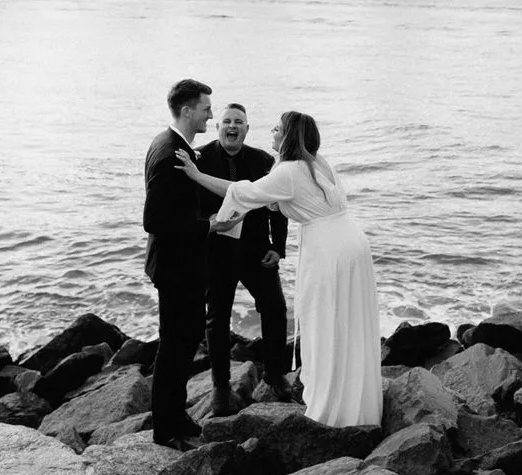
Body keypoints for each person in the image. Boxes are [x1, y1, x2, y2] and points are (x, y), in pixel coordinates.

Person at [175, 111, 381, 428]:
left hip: (328, 249)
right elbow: (276, 200)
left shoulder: (287, 170)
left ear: (288, 137)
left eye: (277, 129)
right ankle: (357, 401)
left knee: (324, 321)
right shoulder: (318, 161)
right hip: (351, 242)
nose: (272, 132)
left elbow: (241, 192)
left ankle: (333, 408)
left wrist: (195, 174)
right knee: (348, 321)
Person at [143, 79, 241, 449]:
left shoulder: (174, 145)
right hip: (176, 268)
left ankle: (177, 416)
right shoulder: (170, 152)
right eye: (205, 109)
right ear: (187, 111)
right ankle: (166, 428)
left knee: (182, 344)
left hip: (180, 264)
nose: (211, 115)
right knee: (175, 347)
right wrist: (210, 225)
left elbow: (178, 205)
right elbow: (154, 220)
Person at [195, 103, 294, 415]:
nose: (232, 126)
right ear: (218, 127)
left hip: (256, 250)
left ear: (247, 129)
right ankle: (220, 387)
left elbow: (277, 207)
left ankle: (275, 375)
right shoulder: (200, 159)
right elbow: (187, 205)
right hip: (216, 251)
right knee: (216, 318)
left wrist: (278, 247)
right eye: (226, 121)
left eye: (238, 122)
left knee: (275, 308)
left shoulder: (263, 160)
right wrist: (206, 219)